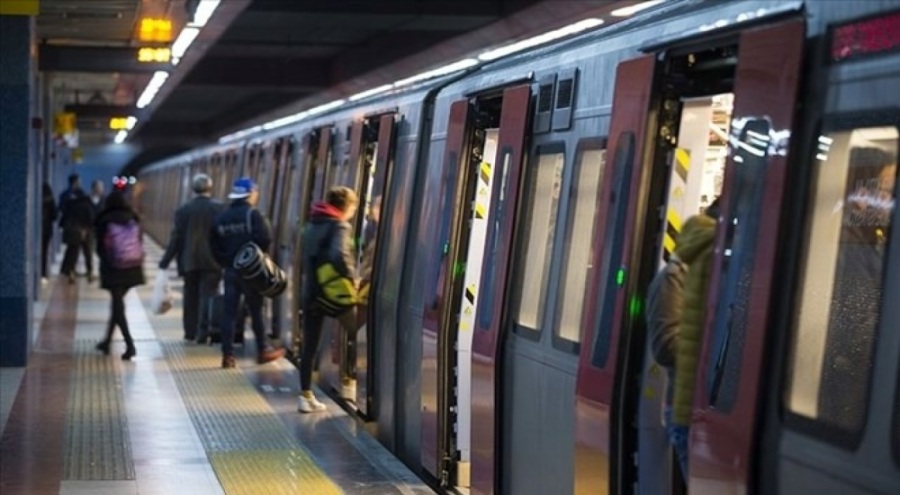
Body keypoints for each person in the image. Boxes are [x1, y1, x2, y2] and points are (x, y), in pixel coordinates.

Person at [666, 199, 719, 478]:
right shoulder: (715, 259)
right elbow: (667, 345)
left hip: (687, 407)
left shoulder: (694, 260)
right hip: (697, 409)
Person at [210, 177, 285, 369]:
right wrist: (258, 262)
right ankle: (262, 350)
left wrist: (226, 262)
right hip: (252, 273)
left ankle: (228, 356)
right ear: (250, 194)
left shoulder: (221, 218)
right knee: (256, 311)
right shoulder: (254, 215)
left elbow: (213, 246)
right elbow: (265, 240)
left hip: (230, 271)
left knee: (229, 313)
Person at [298, 186, 359, 413]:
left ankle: (305, 395)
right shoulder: (340, 226)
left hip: (312, 292)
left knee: (309, 346)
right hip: (334, 292)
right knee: (357, 333)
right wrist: (352, 277)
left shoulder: (312, 224)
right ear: (347, 206)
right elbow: (339, 255)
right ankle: (350, 383)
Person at [159, 173, 224, 342]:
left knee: (190, 298)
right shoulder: (219, 208)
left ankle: (190, 332)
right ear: (210, 188)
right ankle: (203, 332)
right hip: (213, 262)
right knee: (208, 296)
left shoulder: (183, 210)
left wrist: (165, 262)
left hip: (189, 262)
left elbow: (176, 238)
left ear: (193, 189)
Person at [94, 191, 146, 360]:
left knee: (118, 306)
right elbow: (140, 241)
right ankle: (107, 341)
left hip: (113, 268)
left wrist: (107, 260)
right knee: (117, 305)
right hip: (132, 267)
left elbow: (99, 248)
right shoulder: (133, 217)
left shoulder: (104, 219)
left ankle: (130, 345)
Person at [59, 176, 96, 283]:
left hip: (72, 232)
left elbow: (63, 217)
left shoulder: (70, 203)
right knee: (87, 253)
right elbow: (91, 218)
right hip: (85, 232)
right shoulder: (86, 203)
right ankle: (90, 273)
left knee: (72, 253)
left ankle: (71, 273)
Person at [41, 182, 57, 279]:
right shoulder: (51, 200)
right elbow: (54, 216)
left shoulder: (38, 200)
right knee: (44, 252)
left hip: (39, 230)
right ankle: (43, 273)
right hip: (47, 229)